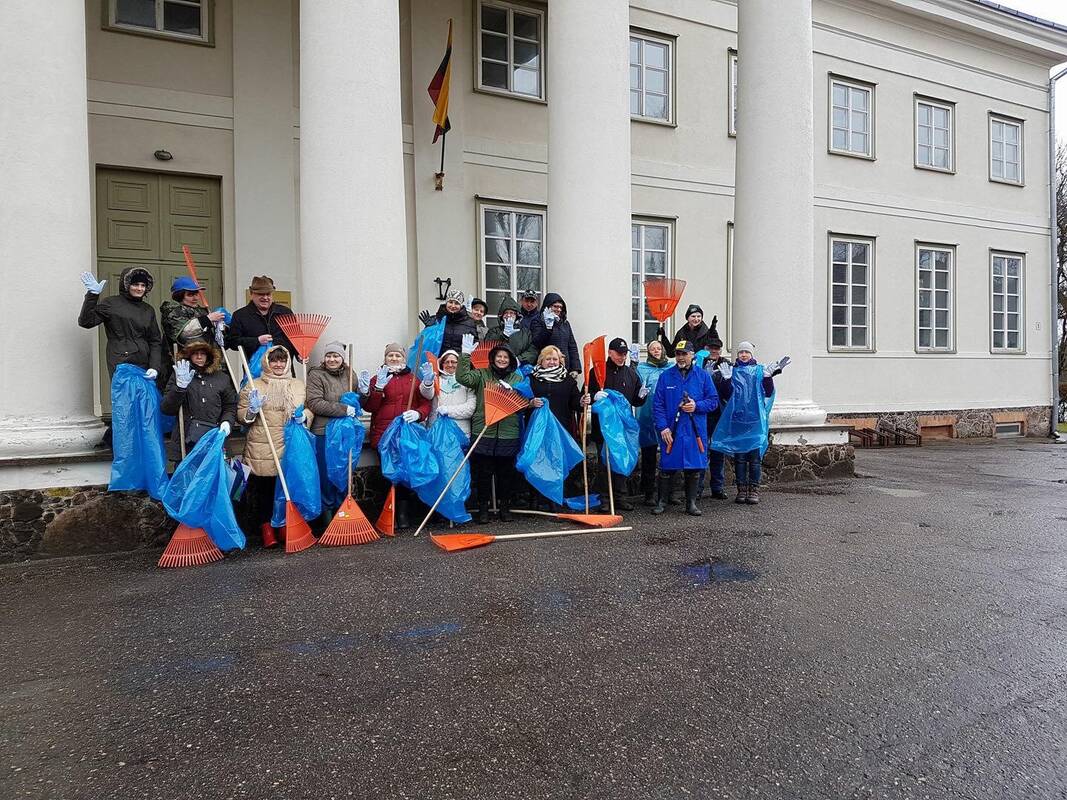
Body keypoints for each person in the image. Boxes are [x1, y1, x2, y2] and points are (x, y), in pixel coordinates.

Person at [78, 266, 163, 447]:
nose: (139, 288)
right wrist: (92, 295)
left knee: (143, 405)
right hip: (121, 362)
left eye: (143, 285)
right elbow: (86, 321)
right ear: (126, 284)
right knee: (125, 403)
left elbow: (155, 340)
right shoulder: (111, 304)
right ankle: (117, 443)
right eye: (135, 284)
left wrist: (155, 366)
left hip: (144, 364)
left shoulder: (148, 310)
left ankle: (128, 442)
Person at [237, 345, 310, 547]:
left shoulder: (297, 385)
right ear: (267, 363)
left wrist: (304, 416)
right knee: (266, 490)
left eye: (282, 360)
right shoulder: (254, 385)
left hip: (290, 444)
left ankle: (284, 526)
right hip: (263, 445)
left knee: (288, 488)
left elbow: (309, 408)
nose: (278, 364)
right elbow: (241, 416)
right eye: (274, 360)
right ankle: (267, 529)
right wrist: (251, 410)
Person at [361, 342, 431, 530]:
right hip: (383, 434)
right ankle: (388, 512)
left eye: (397, 355)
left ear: (404, 358)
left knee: (404, 473)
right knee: (388, 473)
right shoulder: (378, 378)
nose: (394, 358)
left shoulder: (413, 379)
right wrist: (377, 389)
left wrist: (418, 414)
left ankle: (403, 513)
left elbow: (425, 403)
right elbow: (370, 407)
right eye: (390, 355)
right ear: (385, 358)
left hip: (406, 434)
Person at [711, 342, 788, 506]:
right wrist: (726, 380)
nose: (744, 355)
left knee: (754, 459)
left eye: (747, 352)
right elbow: (726, 396)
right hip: (738, 421)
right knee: (739, 459)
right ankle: (741, 489)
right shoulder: (732, 371)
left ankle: (754, 489)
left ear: (752, 354)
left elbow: (767, 393)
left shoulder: (760, 371)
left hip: (755, 421)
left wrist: (767, 377)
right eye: (741, 352)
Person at [457, 336, 524, 523]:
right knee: (483, 473)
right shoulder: (481, 374)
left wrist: (515, 391)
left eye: (506, 357)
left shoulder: (517, 378)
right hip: (484, 429)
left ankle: (505, 507)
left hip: (508, 431)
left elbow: (524, 400)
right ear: (493, 358)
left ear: (510, 360)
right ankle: (483, 508)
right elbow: (462, 377)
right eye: (499, 356)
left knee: (505, 473)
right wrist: (465, 355)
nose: (502, 360)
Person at [651, 340, 718, 517]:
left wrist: (697, 406)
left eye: (684, 354)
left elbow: (713, 401)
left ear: (692, 355)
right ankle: (662, 501)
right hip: (671, 429)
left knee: (694, 467)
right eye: (678, 354)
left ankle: (691, 503)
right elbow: (658, 405)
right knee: (667, 466)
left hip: (694, 429)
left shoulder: (703, 376)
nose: (680, 357)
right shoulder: (666, 376)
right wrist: (663, 427)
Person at [584, 337, 648, 511]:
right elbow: (586, 394)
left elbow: (636, 401)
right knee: (604, 463)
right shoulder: (597, 372)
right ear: (610, 353)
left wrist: (642, 395)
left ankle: (620, 497)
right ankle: (605, 498)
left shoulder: (631, 374)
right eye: (619, 354)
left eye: (624, 354)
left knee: (621, 460)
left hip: (623, 427)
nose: (622, 357)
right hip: (603, 427)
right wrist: (594, 395)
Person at [305, 341, 358, 528]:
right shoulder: (316, 375)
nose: (332, 359)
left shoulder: (350, 374)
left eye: (336, 356)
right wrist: (344, 409)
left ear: (342, 358)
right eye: (329, 356)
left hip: (345, 432)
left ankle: (342, 515)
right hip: (324, 432)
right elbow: (315, 403)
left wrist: (365, 391)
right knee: (327, 475)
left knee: (343, 473)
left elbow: (358, 400)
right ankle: (327, 519)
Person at [160, 341, 237, 464]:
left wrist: (227, 422)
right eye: (195, 353)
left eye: (203, 353)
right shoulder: (179, 376)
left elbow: (230, 406)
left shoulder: (222, 378)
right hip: (186, 441)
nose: (199, 357)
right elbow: (167, 408)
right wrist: (180, 388)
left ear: (209, 356)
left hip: (215, 437)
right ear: (189, 356)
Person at [529, 345, 584, 510]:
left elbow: (575, 402)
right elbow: (522, 401)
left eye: (555, 359)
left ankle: (554, 499)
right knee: (536, 461)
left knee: (556, 462)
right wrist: (530, 403)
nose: (552, 362)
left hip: (561, 428)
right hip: (538, 430)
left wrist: (582, 401)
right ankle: (535, 498)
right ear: (541, 361)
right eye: (548, 359)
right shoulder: (532, 378)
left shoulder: (568, 380)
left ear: (560, 361)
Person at [225, 275, 297, 363]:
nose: (265, 298)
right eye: (261, 294)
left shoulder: (285, 312)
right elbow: (232, 342)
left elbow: (296, 337)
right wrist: (257, 341)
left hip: (283, 367)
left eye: (268, 294)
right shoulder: (240, 315)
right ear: (251, 294)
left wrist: (299, 355)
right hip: (255, 368)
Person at [636, 340, 671, 505]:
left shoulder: (671, 368)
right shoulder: (641, 368)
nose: (656, 351)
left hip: (667, 418)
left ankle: (669, 492)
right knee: (649, 456)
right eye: (652, 349)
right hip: (647, 417)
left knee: (669, 454)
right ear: (648, 352)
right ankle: (648, 492)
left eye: (659, 348)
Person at [419, 349, 476, 437]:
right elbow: (427, 396)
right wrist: (427, 382)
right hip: (436, 431)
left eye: (453, 362)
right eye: (446, 362)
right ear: (442, 364)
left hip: (459, 433)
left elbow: (470, 408)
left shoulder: (467, 382)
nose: (450, 365)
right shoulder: (435, 379)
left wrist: (448, 410)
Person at [160, 277, 226, 353]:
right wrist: (207, 319)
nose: (195, 298)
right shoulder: (172, 312)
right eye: (190, 295)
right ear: (179, 296)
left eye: (196, 294)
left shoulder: (201, 311)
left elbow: (214, 338)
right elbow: (183, 334)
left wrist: (223, 326)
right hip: (182, 357)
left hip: (206, 356)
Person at [528, 292, 581, 380]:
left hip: (564, 368)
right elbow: (537, 342)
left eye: (560, 307)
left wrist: (575, 368)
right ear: (547, 306)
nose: (559, 309)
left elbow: (572, 346)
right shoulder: (537, 321)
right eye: (555, 306)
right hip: (546, 369)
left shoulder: (565, 323)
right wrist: (548, 328)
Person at [703, 336, 731, 500]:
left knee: (718, 451)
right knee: (702, 450)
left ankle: (717, 487)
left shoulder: (726, 365)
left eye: (717, 349)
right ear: (706, 348)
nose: (714, 351)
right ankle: (697, 488)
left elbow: (729, 393)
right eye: (711, 348)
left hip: (719, 413)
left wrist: (727, 380)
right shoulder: (699, 364)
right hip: (702, 413)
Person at [419, 290, 479, 356]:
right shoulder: (436, 320)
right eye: (450, 302)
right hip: (438, 359)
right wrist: (429, 329)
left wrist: (467, 354)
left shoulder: (469, 323)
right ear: (446, 303)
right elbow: (425, 344)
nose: (453, 306)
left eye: (457, 303)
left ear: (461, 305)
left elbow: (475, 345)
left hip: (461, 360)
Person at [484, 296, 538, 365]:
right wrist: (503, 335)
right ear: (502, 315)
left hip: (518, 367)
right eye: (506, 313)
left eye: (512, 313)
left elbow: (532, 350)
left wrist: (519, 360)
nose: (508, 315)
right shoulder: (494, 331)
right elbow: (487, 347)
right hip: (498, 366)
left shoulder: (525, 332)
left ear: (517, 315)